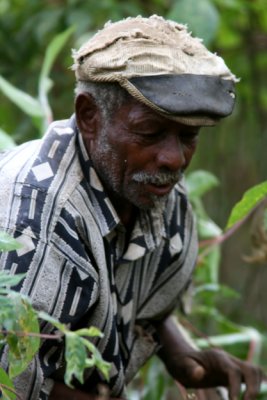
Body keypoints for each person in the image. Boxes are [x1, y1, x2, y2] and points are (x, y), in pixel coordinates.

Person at [0, 15, 264, 400]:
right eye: (150, 133)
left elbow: (124, 280)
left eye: (188, 136)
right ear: (90, 116)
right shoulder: (33, 222)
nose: (174, 159)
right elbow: (9, 379)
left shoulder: (147, 184)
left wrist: (182, 359)